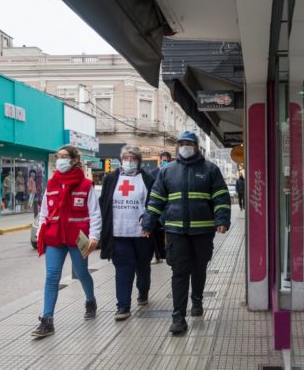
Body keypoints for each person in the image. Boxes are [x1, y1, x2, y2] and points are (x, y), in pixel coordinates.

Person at [141, 131, 231, 334]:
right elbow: (155, 200)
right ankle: (178, 317)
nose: (185, 146)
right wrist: (148, 224)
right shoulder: (167, 171)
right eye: (181, 143)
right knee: (179, 272)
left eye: (189, 143)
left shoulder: (210, 169)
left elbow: (221, 197)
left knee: (199, 268)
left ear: (197, 146)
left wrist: (222, 220)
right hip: (176, 232)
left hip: (203, 231)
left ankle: (197, 300)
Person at [31, 145, 101, 338]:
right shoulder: (51, 184)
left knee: (81, 272)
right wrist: (41, 231)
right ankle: (47, 320)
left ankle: (90, 300)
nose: (60, 160)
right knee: (51, 277)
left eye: (64, 157)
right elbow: (45, 211)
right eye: (58, 157)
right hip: (55, 237)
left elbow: (94, 213)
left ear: (74, 160)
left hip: (78, 237)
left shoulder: (86, 185)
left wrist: (94, 236)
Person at [99, 145, 156, 321]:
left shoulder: (147, 179)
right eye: (126, 158)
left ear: (139, 161)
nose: (129, 161)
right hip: (118, 234)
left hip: (142, 234)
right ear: (121, 159)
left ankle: (143, 291)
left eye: (133, 158)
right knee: (123, 269)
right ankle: (123, 306)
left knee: (143, 267)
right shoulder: (111, 179)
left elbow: (154, 203)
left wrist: (148, 220)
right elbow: (104, 204)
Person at [150, 151, 172, 262]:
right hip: (157, 207)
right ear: (160, 160)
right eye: (164, 161)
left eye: (168, 161)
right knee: (156, 233)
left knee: (168, 232)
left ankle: (168, 253)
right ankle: (157, 255)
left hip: (169, 208)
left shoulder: (172, 172)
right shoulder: (153, 173)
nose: (166, 162)